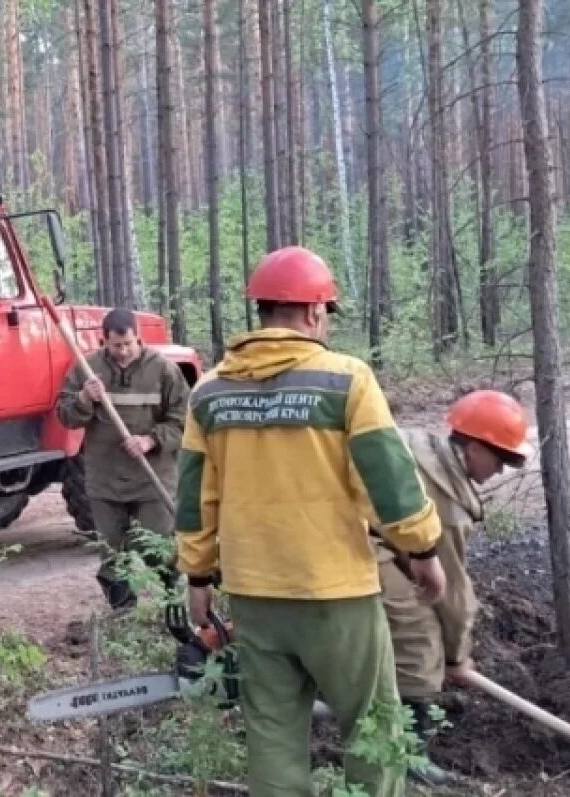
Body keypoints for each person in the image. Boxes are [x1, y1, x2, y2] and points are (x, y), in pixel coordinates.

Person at [175, 246, 448, 797]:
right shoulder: (347, 379)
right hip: (336, 594)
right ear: (315, 311)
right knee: (373, 728)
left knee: (272, 738)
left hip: (255, 596)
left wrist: (198, 576)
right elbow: (389, 483)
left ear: (262, 312)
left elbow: (195, 499)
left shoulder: (210, 392)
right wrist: (423, 551)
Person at [375, 389, 532, 786]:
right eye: (501, 459)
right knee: (419, 635)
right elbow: (450, 591)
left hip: (339, 534)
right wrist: (455, 656)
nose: (501, 471)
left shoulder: (418, 444)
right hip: (348, 545)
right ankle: (408, 757)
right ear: (474, 447)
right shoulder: (446, 507)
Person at [56, 307, 190, 610]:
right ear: (104, 340)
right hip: (105, 480)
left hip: (151, 479)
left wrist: (150, 440)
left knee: (158, 547)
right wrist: (84, 399)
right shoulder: (87, 369)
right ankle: (123, 614)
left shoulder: (164, 370)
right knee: (112, 553)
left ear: (138, 337)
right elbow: (65, 416)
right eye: (116, 345)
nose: (123, 351)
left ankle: (174, 606)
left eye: (128, 343)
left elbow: (184, 421)